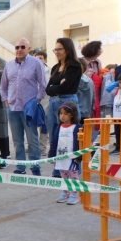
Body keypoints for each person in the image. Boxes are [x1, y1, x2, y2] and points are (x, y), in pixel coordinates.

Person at [0, 38, 47, 176]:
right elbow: (3, 87)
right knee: (17, 140)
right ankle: (20, 167)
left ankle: (35, 166)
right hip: (13, 108)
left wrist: (36, 101)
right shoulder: (9, 65)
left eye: (22, 47)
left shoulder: (36, 63)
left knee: (32, 139)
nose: (19, 49)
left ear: (28, 48)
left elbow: (43, 84)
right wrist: (6, 101)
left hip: (29, 108)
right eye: (17, 47)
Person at [46, 38, 82, 170]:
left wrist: (56, 87)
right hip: (54, 102)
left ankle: (74, 169)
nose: (57, 52)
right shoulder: (55, 68)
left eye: (59, 49)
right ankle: (57, 169)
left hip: (67, 101)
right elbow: (47, 89)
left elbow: (65, 88)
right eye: (55, 49)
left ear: (67, 49)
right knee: (54, 136)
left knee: (70, 138)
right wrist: (57, 86)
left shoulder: (74, 66)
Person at [49, 102, 82, 205]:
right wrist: (52, 155)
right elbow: (54, 141)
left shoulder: (77, 127)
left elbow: (81, 143)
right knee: (64, 175)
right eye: (61, 113)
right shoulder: (59, 127)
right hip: (61, 156)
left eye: (65, 114)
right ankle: (65, 192)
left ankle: (74, 194)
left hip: (72, 158)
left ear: (72, 115)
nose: (62, 116)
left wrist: (79, 156)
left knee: (73, 176)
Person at [33, 50, 52, 155]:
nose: (38, 60)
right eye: (36, 58)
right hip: (33, 101)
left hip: (46, 102)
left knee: (44, 126)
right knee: (31, 125)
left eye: (40, 58)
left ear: (45, 60)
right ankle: (32, 146)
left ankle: (42, 147)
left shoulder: (50, 71)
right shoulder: (31, 70)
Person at [76, 59, 96, 127]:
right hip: (87, 113)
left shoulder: (73, 81)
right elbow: (93, 98)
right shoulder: (90, 81)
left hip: (74, 113)